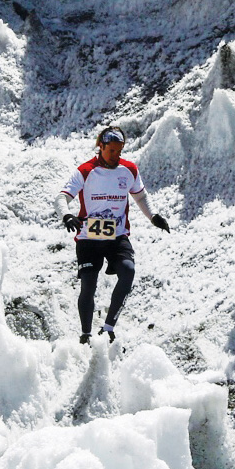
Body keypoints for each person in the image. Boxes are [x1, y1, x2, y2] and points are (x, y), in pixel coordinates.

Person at [54, 126, 170, 344]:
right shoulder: (86, 171)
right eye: (112, 151)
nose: (116, 156)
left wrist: (153, 217)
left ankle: (108, 328)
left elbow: (141, 198)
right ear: (101, 147)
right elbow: (61, 198)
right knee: (89, 284)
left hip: (116, 238)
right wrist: (67, 215)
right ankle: (86, 335)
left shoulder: (129, 170)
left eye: (119, 151)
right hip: (89, 238)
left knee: (128, 271)